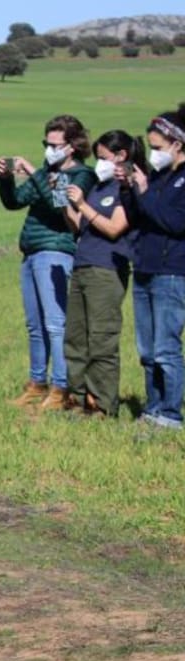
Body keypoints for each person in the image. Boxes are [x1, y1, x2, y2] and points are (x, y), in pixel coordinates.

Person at [0, 115, 96, 411]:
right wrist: (6, 178)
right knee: (35, 325)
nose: (48, 149)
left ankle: (61, 387)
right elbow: (15, 201)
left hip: (56, 253)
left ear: (72, 146)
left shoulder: (82, 176)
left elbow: (59, 207)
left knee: (56, 324)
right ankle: (37, 383)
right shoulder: (46, 171)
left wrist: (34, 173)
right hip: (30, 253)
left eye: (54, 144)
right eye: (46, 143)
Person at [62, 130, 144, 417]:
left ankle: (103, 404)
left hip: (107, 270)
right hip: (82, 265)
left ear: (121, 156)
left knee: (101, 339)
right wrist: (65, 203)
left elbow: (114, 229)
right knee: (75, 337)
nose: (99, 163)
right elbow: (79, 226)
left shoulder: (126, 188)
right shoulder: (99, 186)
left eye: (103, 158)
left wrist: (83, 204)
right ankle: (77, 397)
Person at [129, 104, 185, 429]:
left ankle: (171, 414)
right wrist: (133, 189)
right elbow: (143, 216)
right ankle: (153, 409)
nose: (154, 154)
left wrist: (145, 193)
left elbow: (174, 222)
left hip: (173, 273)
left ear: (177, 144)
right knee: (147, 350)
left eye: (158, 148)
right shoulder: (158, 178)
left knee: (166, 348)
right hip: (145, 269)